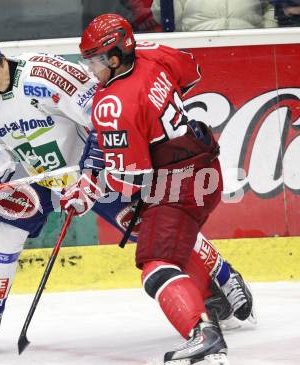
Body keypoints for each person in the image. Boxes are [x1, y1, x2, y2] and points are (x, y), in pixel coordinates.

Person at [0, 26, 253, 357]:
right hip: (38, 177)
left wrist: (91, 174)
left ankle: (221, 273)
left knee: (153, 229)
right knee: (3, 228)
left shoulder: (45, 75)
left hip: (96, 171)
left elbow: (103, 117)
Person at [60, 13, 254, 364]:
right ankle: (217, 297)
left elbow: (132, 180)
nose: (90, 69)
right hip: (203, 165)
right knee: (174, 247)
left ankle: (203, 334)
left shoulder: (111, 105)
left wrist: (91, 190)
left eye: (95, 60)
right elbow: (190, 72)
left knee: (155, 262)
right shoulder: (150, 52)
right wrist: (142, 122)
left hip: (176, 183)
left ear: (115, 57)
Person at [152, 0, 276, 31]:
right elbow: (163, 17)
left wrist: (269, 32)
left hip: (251, 45)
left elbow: (269, 7)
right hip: (197, 47)